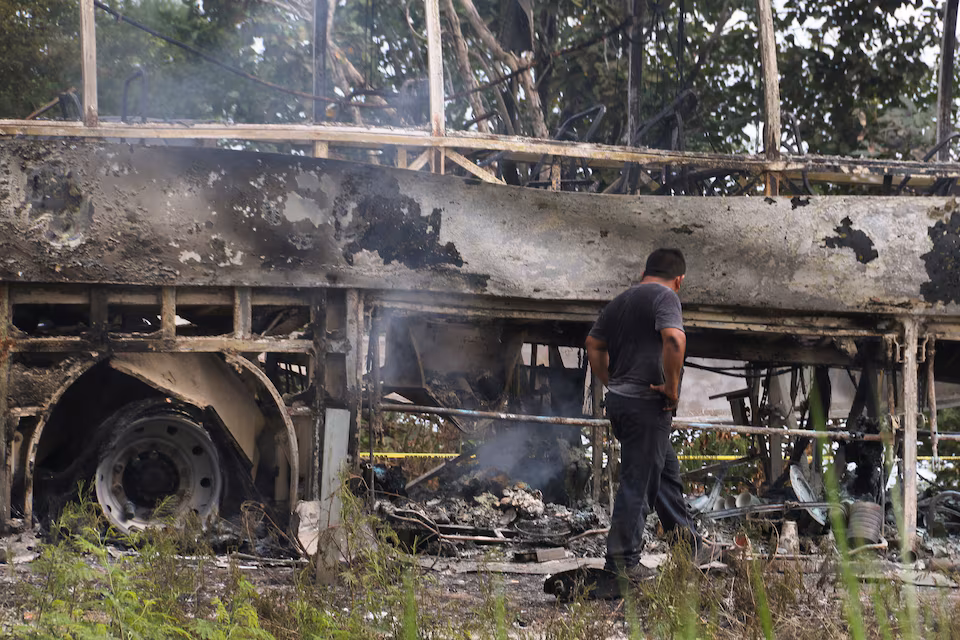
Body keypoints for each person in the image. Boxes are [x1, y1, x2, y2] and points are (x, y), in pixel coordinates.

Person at [585, 248, 714, 578]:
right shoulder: (665, 297)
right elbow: (673, 340)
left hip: (622, 404)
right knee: (639, 483)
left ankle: (689, 547)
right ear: (679, 279)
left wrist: (612, 382)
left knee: (665, 474)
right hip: (647, 405)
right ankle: (622, 564)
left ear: (645, 271)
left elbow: (593, 345)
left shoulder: (620, 302)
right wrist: (672, 388)